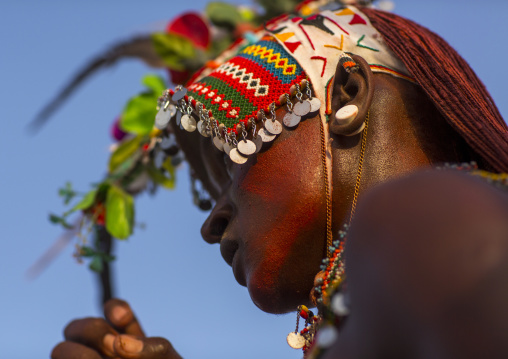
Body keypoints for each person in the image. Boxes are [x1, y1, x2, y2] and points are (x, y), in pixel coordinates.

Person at [51, 1, 508, 358]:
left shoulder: (421, 217)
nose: (211, 224)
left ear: (347, 96)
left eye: (236, 154)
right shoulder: (386, 276)